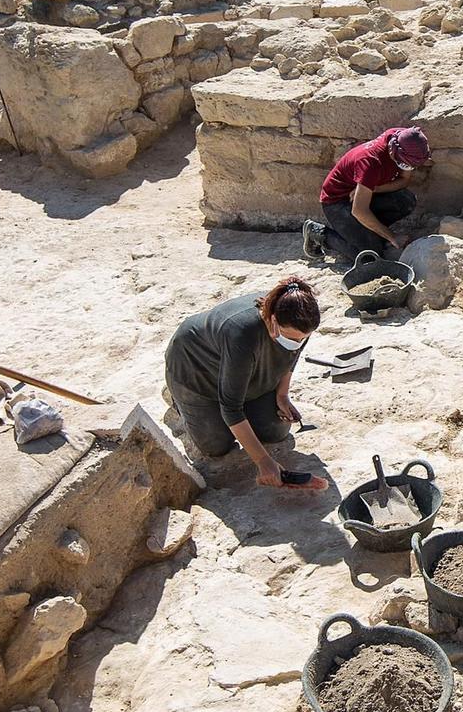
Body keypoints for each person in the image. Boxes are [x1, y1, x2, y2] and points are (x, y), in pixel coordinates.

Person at [164, 276, 331, 491]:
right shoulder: (241, 331)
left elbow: (292, 357)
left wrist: (282, 395)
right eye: (292, 338)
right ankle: (178, 400)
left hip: (246, 371)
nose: (297, 343)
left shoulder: (299, 321)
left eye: (302, 339)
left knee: (275, 431)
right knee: (216, 446)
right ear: (271, 320)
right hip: (196, 373)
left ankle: (242, 400)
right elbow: (231, 407)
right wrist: (264, 462)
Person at [302, 126, 432, 263]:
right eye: (406, 164)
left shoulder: (405, 138)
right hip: (337, 202)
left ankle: (369, 233)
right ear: (394, 150)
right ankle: (320, 233)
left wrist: (373, 188)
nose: (408, 168)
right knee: (369, 257)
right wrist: (392, 237)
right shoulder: (371, 163)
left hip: (364, 193)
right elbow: (359, 210)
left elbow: (404, 180)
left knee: (406, 201)